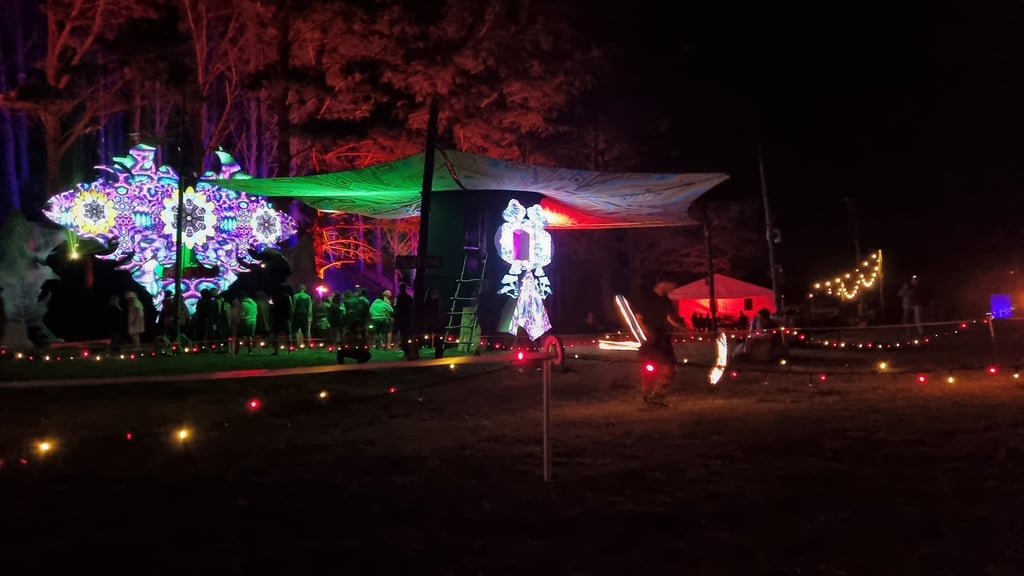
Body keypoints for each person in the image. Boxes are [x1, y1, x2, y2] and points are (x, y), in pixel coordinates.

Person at [632, 274, 686, 405]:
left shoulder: (666, 301)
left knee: (670, 369)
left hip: (663, 337)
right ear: (663, 283)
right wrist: (647, 332)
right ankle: (647, 396)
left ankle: (656, 397)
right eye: (673, 285)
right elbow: (638, 317)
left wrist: (683, 328)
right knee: (650, 368)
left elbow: (669, 318)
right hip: (651, 338)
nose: (674, 288)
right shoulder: (647, 298)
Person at [392, 283, 414, 356]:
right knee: (407, 335)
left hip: (401, 318)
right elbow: (412, 308)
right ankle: (409, 350)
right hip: (408, 318)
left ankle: (406, 351)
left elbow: (396, 308)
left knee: (403, 335)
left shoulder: (398, 297)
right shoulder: (409, 297)